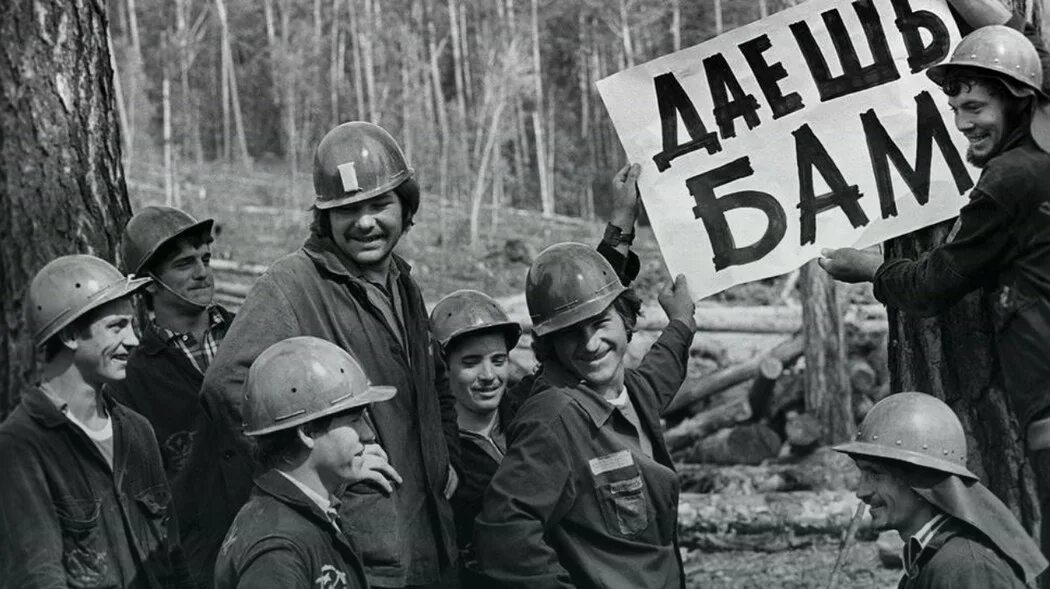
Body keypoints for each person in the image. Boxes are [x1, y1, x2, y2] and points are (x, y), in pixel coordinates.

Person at [177, 121, 457, 588]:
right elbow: (227, 384)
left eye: (379, 204)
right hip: (359, 548)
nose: (365, 221)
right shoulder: (291, 285)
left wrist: (447, 463)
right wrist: (316, 472)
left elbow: (436, 384)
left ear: (406, 206)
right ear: (324, 217)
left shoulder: (403, 283)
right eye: (347, 209)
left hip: (429, 536)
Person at [818, 22, 1050, 572]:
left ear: (1019, 102)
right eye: (955, 111)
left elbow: (932, 286)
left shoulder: (1012, 177)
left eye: (976, 106)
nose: (964, 123)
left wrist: (871, 268)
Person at [474, 234, 697, 588]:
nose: (591, 344)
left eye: (600, 323)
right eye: (571, 334)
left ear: (625, 320)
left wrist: (681, 322)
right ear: (551, 344)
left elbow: (662, 371)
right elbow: (504, 533)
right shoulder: (552, 419)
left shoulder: (633, 392)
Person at [0, 255, 195, 588]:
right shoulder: (20, 445)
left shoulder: (136, 431)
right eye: (117, 326)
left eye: (132, 326)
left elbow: (174, 560)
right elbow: (36, 577)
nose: (134, 340)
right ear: (72, 334)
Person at [215, 336, 402, 589]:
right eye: (355, 420)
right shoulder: (278, 550)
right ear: (308, 432)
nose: (369, 434)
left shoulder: (302, 512)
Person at [834, 392, 1047, 587]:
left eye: (876, 474)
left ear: (921, 479)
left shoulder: (968, 568)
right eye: (863, 474)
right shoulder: (931, 560)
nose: (861, 492)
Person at [109, 206, 233, 481]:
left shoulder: (249, 333)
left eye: (206, 259)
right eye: (184, 263)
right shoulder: (132, 378)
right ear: (149, 283)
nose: (202, 273)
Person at [429, 289, 521, 585]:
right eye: (470, 362)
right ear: (444, 369)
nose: (488, 375)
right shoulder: (438, 451)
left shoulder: (527, 416)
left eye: (498, 359)